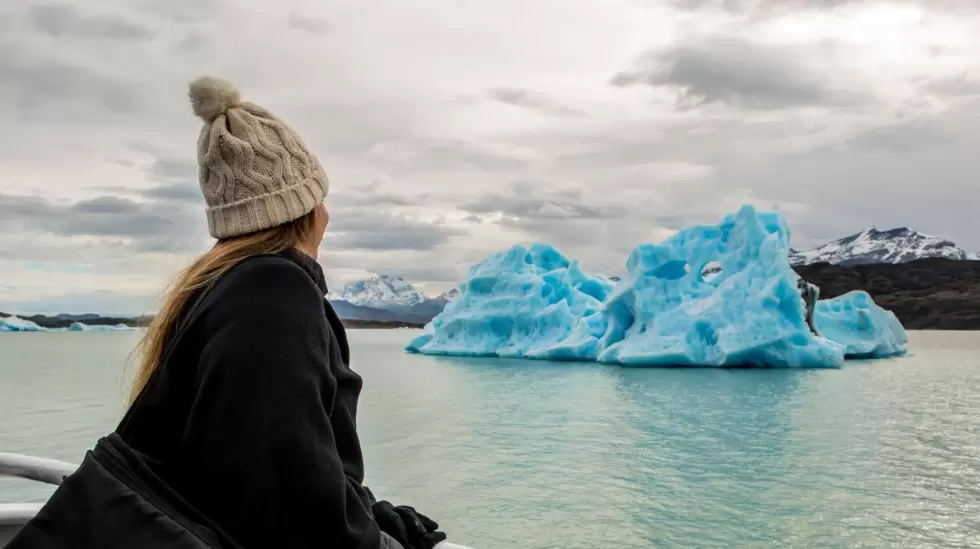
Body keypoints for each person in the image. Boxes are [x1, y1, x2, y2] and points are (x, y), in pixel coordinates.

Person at [112, 76, 448, 549]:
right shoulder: (273, 293)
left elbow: (264, 453)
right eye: (319, 195)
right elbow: (286, 496)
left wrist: (365, 510)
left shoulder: (219, 287)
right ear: (303, 208)